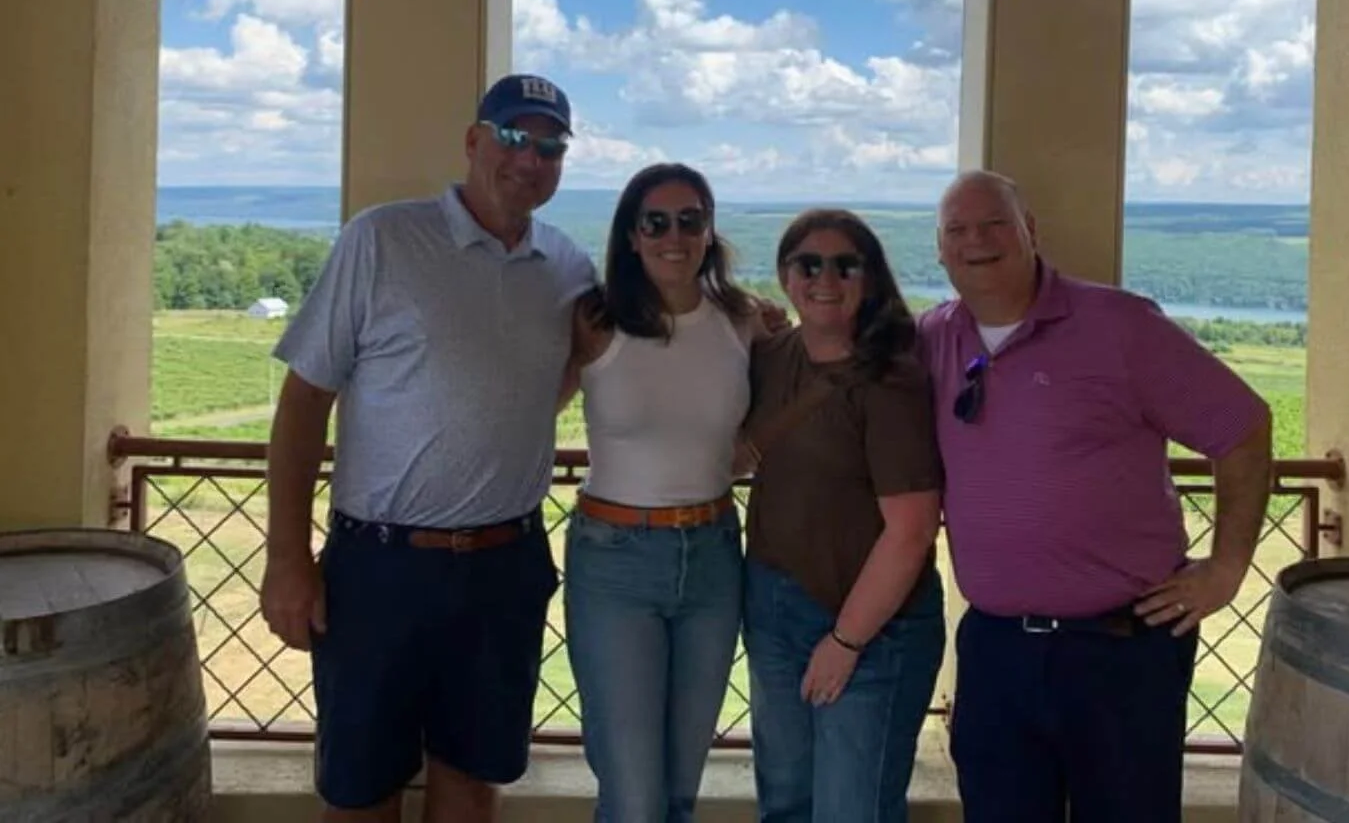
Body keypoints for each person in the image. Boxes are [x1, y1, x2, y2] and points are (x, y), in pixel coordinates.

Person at [258, 73, 597, 823]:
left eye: (549, 146)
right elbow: (305, 401)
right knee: (361, 794)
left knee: (471, 785)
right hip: (378, 568)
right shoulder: (382, 238)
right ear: (474, 141)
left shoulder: (568, 267)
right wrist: (286, 557)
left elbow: (571, 371)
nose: (529, 158)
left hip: (506, 568)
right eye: (512, 136)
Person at [920, 170, 1273, 822]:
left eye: (995, 223)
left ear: (1030, 231)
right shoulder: (933, 340)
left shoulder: (1118, 325)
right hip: (996, 650)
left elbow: (1244, 430)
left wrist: (1226, 570)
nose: (977, 241)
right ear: (939, 250)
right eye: (957, 230)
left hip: (1122, 650)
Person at [560, 162, 767, 823]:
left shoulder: (743, 321)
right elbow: (522, 410)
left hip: (711, 555)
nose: (673, 236)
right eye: (656, 222)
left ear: (709, 232)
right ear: (630, 235)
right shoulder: (593, 321)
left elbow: (760, 430)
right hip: (614, 560)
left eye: (690, 220)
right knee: (636, 797)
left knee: (679, 788)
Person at [738, 209, 946, 822]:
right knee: (786, 804)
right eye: (808, 263)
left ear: (870, 277)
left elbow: (911, 531)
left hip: (873, 627)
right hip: (776, 610)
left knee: (852, 812)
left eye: (844, 264)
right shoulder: (771, 356)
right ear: (784, 275)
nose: (824, 277)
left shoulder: (891, 381)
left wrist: (845, 640)